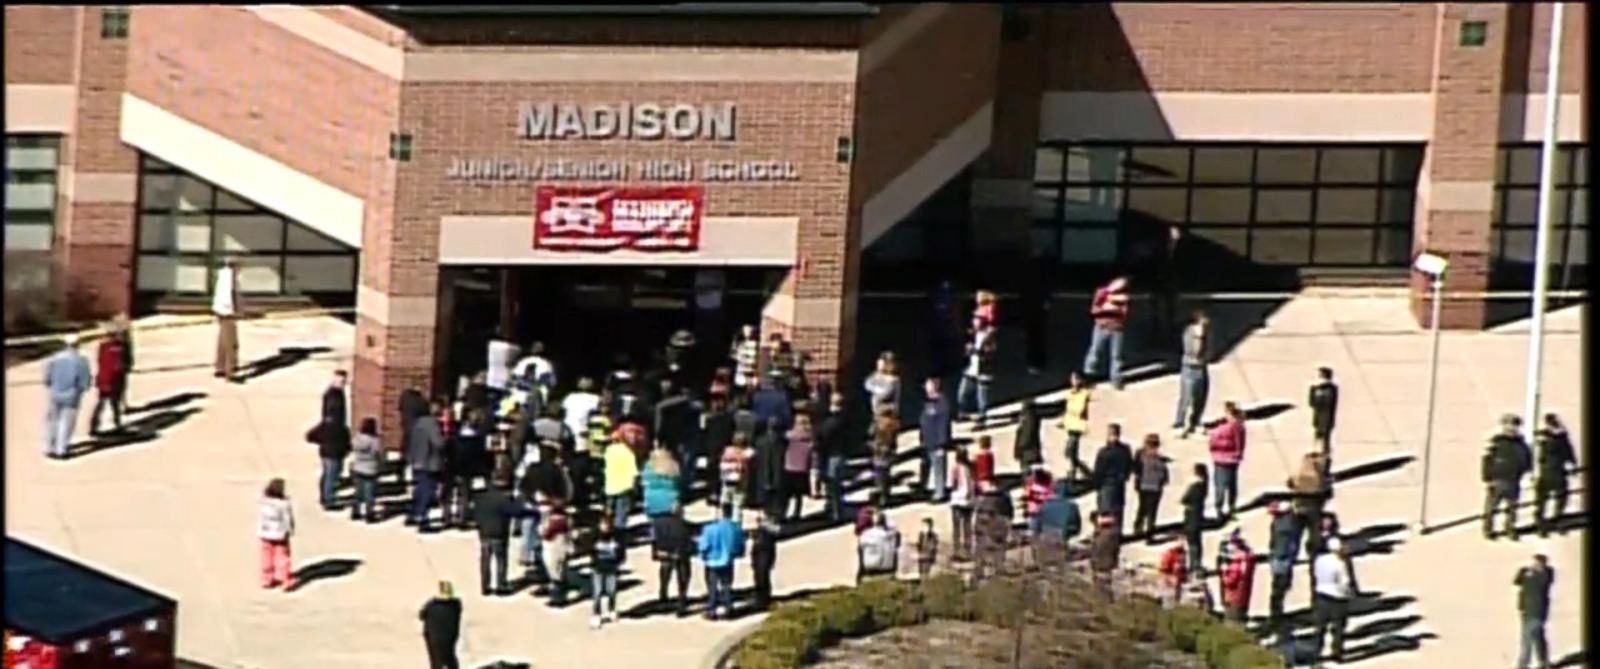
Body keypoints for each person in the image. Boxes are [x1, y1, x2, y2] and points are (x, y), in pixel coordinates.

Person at [473, 465, 524, 597]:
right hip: (499, 532)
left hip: (484, 532)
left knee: (485, 559)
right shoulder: (504, 499)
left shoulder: (481, 497)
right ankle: (501, 585)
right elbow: (516, 511)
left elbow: (475, 513)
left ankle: (485, 585)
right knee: (501, 559)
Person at [1483, 413, 1533, 540]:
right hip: (1498, 480)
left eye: (1515, 425)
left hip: (1514, 480)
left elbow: (1527, 460)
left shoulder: (1521, 444)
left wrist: (1526, 473)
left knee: (1512, 508)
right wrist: (1487, 478)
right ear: (1504, 426)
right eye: (1509, 425)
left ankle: (1510, 529)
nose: (1512, 428)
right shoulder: (1496, 442)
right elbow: (1486, 460)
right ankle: (1488, 530)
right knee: (1491, 508)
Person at [42, 334, 92, 459]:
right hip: (72, 394)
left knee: (52, 421)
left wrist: (50, 384)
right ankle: (62, 449)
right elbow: (84, 379)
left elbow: (47, 376)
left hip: (55, 392)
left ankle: (50, 446)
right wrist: (83, 388)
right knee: (67, 422)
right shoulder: (81, 359)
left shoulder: (55, 358)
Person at [1311, 538, 1355, 665]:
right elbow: (1345, 583)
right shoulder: (1340, 564)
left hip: (1321, 595)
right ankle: (1336, 653)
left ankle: (1316, 652)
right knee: (1338, 628)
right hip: (1337, 598)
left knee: (1320, 627)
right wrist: (1349, 594)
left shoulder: (1320, 560)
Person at [698, 504, 746, 620]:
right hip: (727, 560)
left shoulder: (709, 528)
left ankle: (711, 610)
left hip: (712, 561)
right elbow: (740, 545)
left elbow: (704, 546)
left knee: (712, 587)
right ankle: (728, 608)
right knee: (727, 585)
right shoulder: (735, 528)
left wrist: (703, 555)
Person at [1082, 276, 1131, 389]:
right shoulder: (1101, 292)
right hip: (1101, 327)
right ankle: (1089, 376)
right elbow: (1094, 310)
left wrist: (1112, 308)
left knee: (1117, 356)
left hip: (1117, 329)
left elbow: (1124, 313)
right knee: (1095, 352)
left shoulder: (1123, 297)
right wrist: (1106, 308)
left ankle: (1116, 378)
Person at [1533, 414, 1577, 537]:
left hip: (1556, 472)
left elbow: (1569, 452)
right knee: (1543, 501)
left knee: (1559, 498)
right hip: (1547, 472)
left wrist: (1572, 464)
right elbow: (1536, 457)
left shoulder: (1560, 437)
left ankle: (1553, 522)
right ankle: (1544, 525)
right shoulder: (1543, 438)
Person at [407, 399, 448, 531]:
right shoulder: (432, 425)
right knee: (427, 490)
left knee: (418, 489)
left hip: (417, 459)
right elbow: (438, 443)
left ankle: (412, 514)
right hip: (429, 462)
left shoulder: (417, 423)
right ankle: (422, 517)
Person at [651, 503, 695, 616]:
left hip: (664, 553)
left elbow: (654, 538)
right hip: (679, 554)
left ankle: (663, 596)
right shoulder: (684, 525)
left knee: (665, 575)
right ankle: (681, 600)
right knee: (683, 577)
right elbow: (688, 541)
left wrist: (656, 551)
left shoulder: (659, 522)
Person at [1515, 545, 1555, 669]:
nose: (1535, 564)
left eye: (1538, 562)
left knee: (1527, 638)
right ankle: (1543, 661)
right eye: (1535, 562)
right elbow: (1516, 582)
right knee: (1538, 637)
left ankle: (1523, 664)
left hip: (1537, 610)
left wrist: (1530, 573)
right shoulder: (1529, 574)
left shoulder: (1544, 575)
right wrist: (1523, 572)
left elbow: (1542, 582)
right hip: (1526, 610)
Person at [1172, 311, 1210, 439]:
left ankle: (1196, 421)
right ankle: (1179, 423)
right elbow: (1193, 352)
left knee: (1201, 396)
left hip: (1201, 367)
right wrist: (1198, 338)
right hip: (1189, 368)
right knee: (1186, 396)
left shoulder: (1206, 333)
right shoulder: (1188, 333)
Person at [1091, 422, 1134, 533]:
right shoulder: (1125, 450)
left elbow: (1098, 471)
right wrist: (1125, 477)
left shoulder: (1104, 452)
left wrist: (1096, 485)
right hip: (1119, 484)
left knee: (1105, 511)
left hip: (1106, 484)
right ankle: (1117, 532)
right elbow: (1129, 466)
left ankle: (1104, 533)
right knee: (1118, 510)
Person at [1266, 502, 1303, 626]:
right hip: (1283, 558)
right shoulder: (1289, 523)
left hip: (1279, 557)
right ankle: (1276, 615)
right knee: (1280, 588)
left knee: (1277, 588)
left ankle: (1276, 614)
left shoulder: (1280, 524)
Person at [1208, 401, 1247, 519]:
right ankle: (1231, 506)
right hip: (1234, 460)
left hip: (1221, 460)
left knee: (1220, 485)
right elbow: (1242, 443)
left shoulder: (1224, 429)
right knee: (1232, 484)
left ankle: (1219, 508)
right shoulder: (1241, 427)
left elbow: (1213, 442)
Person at [814, 392, 849, 521]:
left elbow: (822, 438)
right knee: (837, 485)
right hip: (841, 454)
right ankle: (835, 509)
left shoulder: (831, 422)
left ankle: (835, 512)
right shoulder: (845, 419)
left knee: (832, 485)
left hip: (832, 456)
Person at [89, 324, 129, 436]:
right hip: (114, 381)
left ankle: (94, 425)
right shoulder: (118, 348)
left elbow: (101, 362)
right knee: (115, 404)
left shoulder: (103, 346)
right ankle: (117, 424)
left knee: (101, 403)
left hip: (103, 379)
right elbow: (118, 366)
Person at [257, 478, 296, 590]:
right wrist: (290, 530)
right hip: (280, 533)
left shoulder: (263, 502)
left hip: (265, 533)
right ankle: (285, 579)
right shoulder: (283, 504)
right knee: (283, 556)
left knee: (266, 556)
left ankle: (266, 578)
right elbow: (287, 519)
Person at [1290, 451, 1331, 555]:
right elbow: (1328, 494)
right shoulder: (1319, 479)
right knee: (1314, 532)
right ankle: (1313, 551)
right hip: (1313, 510)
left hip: (1298, 508)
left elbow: (1290, 484)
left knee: (1295, 533)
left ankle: (1293, 551)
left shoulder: (1300, 475)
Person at [309, 413, 351, 511]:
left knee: (326, 475)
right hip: (336, 454)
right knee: (332, 477)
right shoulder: (342, 428)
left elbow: (310, 436)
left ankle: (324, 496)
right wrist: (346, 451)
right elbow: (347, 441)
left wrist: (322, 442)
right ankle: (329, 500)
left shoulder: (324, 426)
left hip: (326, 453)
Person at [957, 323, 997, 428]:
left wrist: (975, 351)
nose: (974, 322)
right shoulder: (972, 335)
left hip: (984, 371)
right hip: (971, 370)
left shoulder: (989, 337)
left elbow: (989, 354)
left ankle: (981, 418)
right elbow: (966, 349)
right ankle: (963, 412)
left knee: (982, 397)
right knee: (962, 393)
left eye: (977, 320)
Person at [918, 378, 952, 501]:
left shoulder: (942, 403)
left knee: (939, 468)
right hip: (926, 441)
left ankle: (940, 492)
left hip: (937, 442)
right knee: (925, 466)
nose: (925, 388)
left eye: (927, 385)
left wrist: (942, 443)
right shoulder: (926, 402)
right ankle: (923, 488)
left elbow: (944, 425)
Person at [1132, 434, 1169, 540]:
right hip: (1155, 488)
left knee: (1142, 509)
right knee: (1152, 512)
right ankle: (1149, 534)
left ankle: (1137, 529)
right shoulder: (1159, 461)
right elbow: (1165, 477)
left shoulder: (1141, 456)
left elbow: (1136, 470)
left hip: (1143, 486)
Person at [590, 514, 625, 629]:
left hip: (612, 568)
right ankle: (596, 614)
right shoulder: (595, 535)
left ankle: (611, 609)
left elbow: (622, 551)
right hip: (598, 568)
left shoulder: (617, 536)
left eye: (608, 525)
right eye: (603, 524)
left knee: (612, 590)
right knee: (597, 592)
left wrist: (619, 561)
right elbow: (590, 549)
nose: (605, 527)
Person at [419, 581, 462, 669]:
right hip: (450, 638)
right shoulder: (455, 605)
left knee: (436, 661)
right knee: (450, 658)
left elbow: (421, 615)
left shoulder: (431, 605)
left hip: (434, 638)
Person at [603, 429, 640, 529]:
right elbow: (634, 472)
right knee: (621, 512)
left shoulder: (608, 452)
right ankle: (619, 534)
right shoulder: (628, 452)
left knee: (609, 511)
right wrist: (635, 486)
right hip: (624, 486)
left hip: (610, 486)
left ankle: (607, 533)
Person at [212, 257, 242, 382]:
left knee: (222, 341)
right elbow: (232, 293)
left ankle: (220, 367)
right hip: (228, 311)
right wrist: (237, 311)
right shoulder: (232, 277)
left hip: (219, 310)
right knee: (231, 343)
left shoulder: (221, 275)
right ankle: (231, 371)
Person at [1218, 526, 1256, 623]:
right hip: (1242, 596)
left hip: (1233, 597)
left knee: (1232, 621)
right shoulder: (1247, 558)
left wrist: (1224, 571)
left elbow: (1230, 581)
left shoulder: (1236, 564)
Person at [702, 392, 736, 500]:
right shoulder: (710, 418)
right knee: (713, 470)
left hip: (721, 446)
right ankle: (713, 492)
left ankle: (718, 492)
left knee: (721, 471)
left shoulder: (726, 417)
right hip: (712, 446)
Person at [350, 418, 384, 523]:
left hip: (357, 467)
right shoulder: (375, 441)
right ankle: (369, 514)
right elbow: (379, 454)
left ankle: (355, 511)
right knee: (370, 493)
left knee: (358, 491)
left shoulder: (357, 438)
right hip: (370, 469)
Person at [782, 413, 814, 520]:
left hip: (790, 466)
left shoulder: (790, 436)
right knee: (799, 495)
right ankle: (797, 513)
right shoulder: (809, 436)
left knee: (787, 494)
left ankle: (785, 513)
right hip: (803, 468)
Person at [1060, 372, 1092, 480]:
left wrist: (1070, 411)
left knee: (1070, 452)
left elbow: (1079, 409)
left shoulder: (1084, 393)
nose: (1072, 381)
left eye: (1074, 379)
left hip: (1077, 426)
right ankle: (1081, 471)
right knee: (1070, 452)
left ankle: (1076, 472)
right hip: (1070, 425)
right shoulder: (1070, 393)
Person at [947, 447, 976, 561]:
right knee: (967, 527)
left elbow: (951, 484)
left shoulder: (955, 469)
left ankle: (957, 550)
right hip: (969, 500)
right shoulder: (971, 468)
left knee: (957, 528)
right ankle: (968, 550)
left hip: (957, 500)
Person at [641, 446, 682, 525]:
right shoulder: (673, 466)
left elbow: (644, 481)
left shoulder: (648, 466)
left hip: (651, 503)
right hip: (670, 504)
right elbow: (677, 482)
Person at [1180, 463, 1209, 575]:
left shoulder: (1195, 486)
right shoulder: (1204, 485)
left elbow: (1184, 499)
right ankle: (1196, 564)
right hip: (1198, 515)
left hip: (1191, 515)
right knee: (1197, 542)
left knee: (1192, 543)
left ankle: (1194, 565)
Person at [857, 512, 901, 583]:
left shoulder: (866, 535)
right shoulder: (892, 536)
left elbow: (860, 554)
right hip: (888, 573)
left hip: (871, 574)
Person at [750, 510, 781, 610]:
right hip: (761, 559)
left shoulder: (766, 532)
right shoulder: (762, 532)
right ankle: (762, 599)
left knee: (763, 580)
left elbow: (765, 548)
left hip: (763, 559)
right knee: (760, 580)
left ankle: (763, 601)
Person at [541, 509, 573, 606]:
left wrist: (543, 528)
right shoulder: (567, 521)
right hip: (563, 549)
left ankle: (556, 599)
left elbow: (546, 534)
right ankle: (561, 598)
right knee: (561, 573)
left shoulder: (554, 522)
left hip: (552, 549)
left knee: (555, 575)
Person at [870, 408, 899, 507]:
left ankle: (881, 496)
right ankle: (886, 495)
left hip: (878, 451)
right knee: (886, 474)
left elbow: (871, 434)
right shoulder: (893, 424)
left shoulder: (878, 425)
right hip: (888, 452)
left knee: (879, 475)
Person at [1089, 512, 1122, 598]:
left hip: (1101, 566)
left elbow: (1095, 550)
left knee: (1102, 590)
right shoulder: (1111, 535)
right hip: (1105, 567)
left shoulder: (1102, 535)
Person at [863, 351, 902, 421]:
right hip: (875, 413)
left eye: (882, 364)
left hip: (887, 415)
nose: (879, 366)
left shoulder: (893, 380)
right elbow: (867, 384)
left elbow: (884, 394)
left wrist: (874, 390)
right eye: (878, 363)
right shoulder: (876, 375)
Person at [1308, 366, 1339, 448]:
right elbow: (1311, 402)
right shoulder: (1330, 387)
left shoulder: (1330, 387)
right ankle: (1320, 446)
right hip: (1322, 412)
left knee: (1323, 430)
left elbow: (1311, 402)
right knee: (1321, 429)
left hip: (1324, 412)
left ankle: (1322, 446)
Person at [719, 432, 751, 511]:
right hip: (739, 479)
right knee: (738, 502)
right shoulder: (745, 453)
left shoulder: (727, 451)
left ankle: (725, 519)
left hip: (727, 478)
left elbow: (722, 464)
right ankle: (736, 521)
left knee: (725, 499)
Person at [1013, 398, 1043, 470]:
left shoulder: (1029, 415)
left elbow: (1029, 431)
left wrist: (1021, 446)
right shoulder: (1028, 414)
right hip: (1028, 447)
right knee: (1027, 468)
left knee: (1027, 469)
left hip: (1028, 448)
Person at [1022, 468, 1054, 535]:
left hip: (1036, 511)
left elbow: (1027, 496)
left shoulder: (1032, 485)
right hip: (1043, 511)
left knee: (1034, 529)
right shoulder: (1048, 486)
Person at [731, 325, 761, 396]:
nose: (747, 333)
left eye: (749, 331)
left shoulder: (755, 344)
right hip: (745, 367)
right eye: (746, 331)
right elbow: (736, 356)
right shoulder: (741, 344)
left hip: (751, 368)